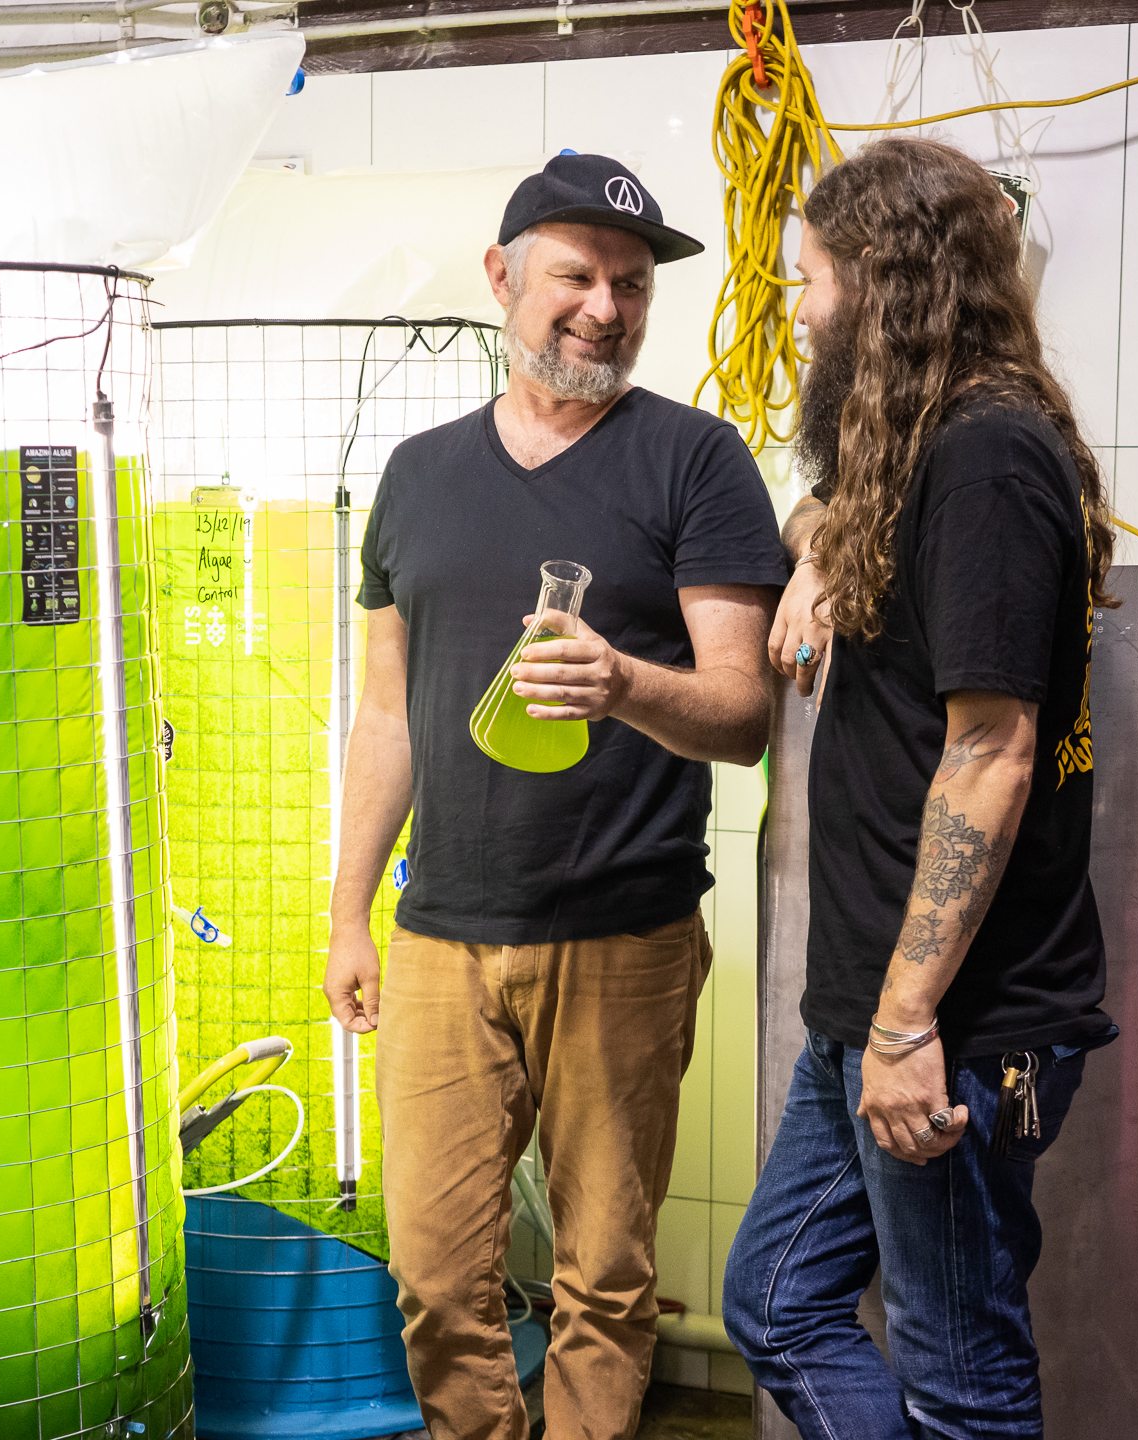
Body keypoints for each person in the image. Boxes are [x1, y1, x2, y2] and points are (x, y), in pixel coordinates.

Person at [323, 153, 788, 1440]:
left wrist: (624, 682)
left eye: (632, 285)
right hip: (440, 934)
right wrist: (349, 908)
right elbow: (384, 715)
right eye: (577, 275)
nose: (606, 307)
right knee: (436, 1282)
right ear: (503, 278)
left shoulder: (696, 461)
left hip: (624, 938)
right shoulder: (417, 475)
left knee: (604, 1281)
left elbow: (744, 715)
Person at [721, 137, 1120, 1438]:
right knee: (776, 1302)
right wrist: (820, 542)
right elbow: (818, 495)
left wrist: (903, 1025)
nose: (802, 311)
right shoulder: (911, 456)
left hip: (949, 1020)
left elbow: (994, 749)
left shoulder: (989, 461)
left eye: (814, 284)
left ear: (885, 288)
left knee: (960, 1375)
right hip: (870, 1003)